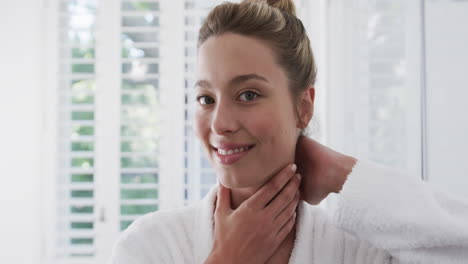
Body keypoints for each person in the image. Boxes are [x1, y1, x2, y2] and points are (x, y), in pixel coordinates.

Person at [109, 0, 468, 263]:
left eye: (248, 94)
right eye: (206, 98)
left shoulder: (359, 250)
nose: (220, 123)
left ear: (303, 107)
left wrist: (340, 173)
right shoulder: (149, 247)